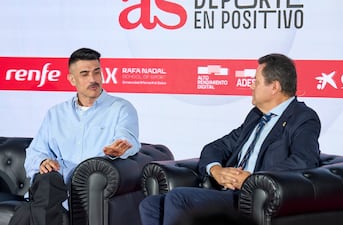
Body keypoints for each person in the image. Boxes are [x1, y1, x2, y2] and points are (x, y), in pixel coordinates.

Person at [139, 53, 321, 225]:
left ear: (274, 87)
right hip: (229, 192)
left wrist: (253, 179)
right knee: (151, 205)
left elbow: (304, 160)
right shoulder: (256, 116)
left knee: (178, 198)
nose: (251, 86)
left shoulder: (303, 118)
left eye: (256, 82)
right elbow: (217, 147)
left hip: (254, 198)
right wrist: (216, 170)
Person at [14, 48, 140, 224]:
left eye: (97, 72)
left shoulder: (120, 109)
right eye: (85, 74)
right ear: (72, 79)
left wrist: (118, 150)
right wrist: (42, 162)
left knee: (27, 213)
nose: (93, 79)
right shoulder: (56, 113)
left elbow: (128, 139)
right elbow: (35, 152)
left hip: (88, 190)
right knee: (48, 180)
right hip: (52, 188)